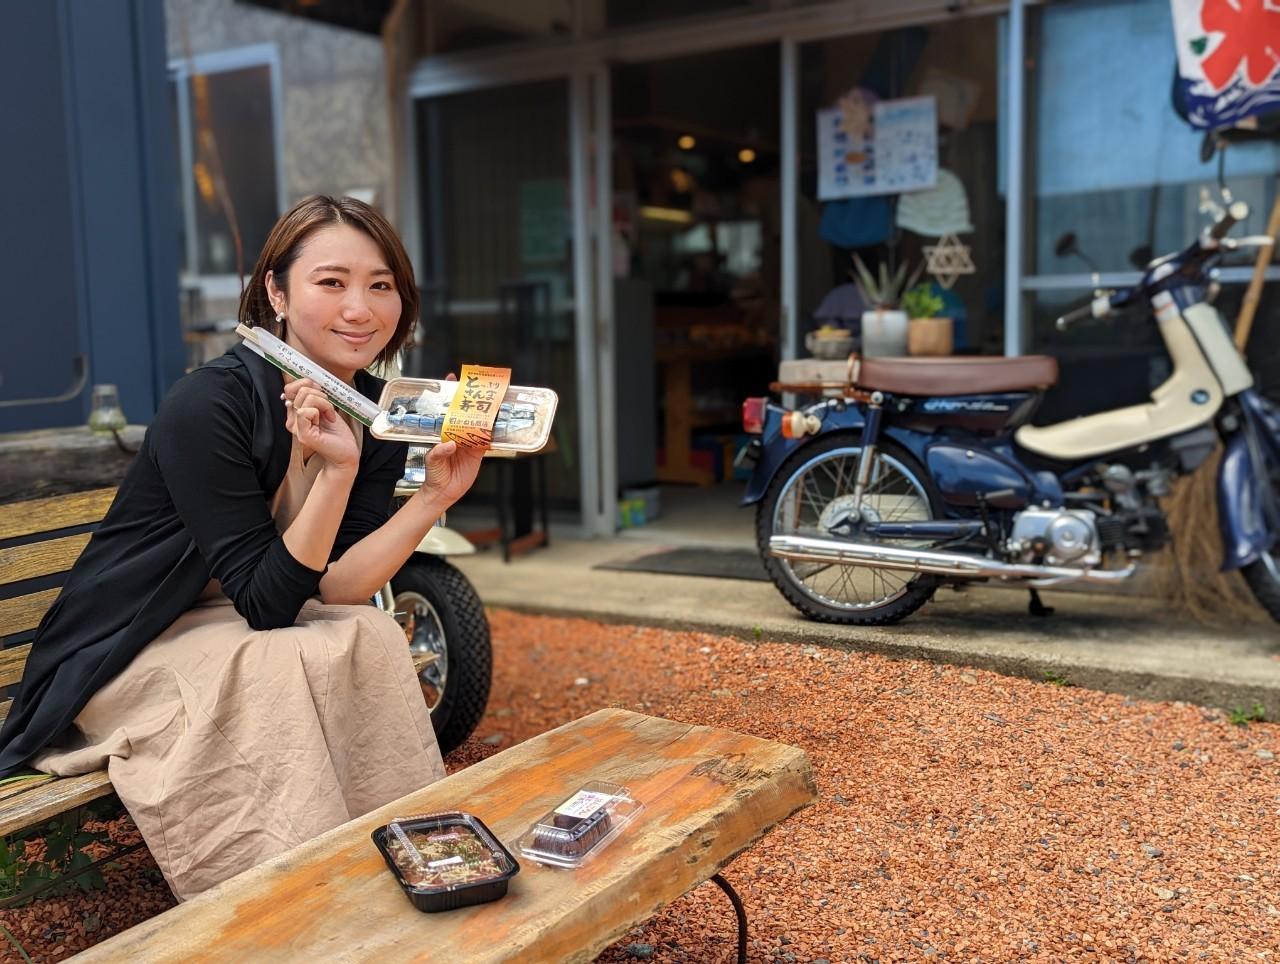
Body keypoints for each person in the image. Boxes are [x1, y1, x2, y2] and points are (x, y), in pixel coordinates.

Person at [0, 195, 484, 899]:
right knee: (277, 662)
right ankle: (278, 902)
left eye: (381, 285)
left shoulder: (379, 409)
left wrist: (436, 498)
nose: (361, 309)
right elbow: (269, 606)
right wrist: (337, 471)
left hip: (242, 621)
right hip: (133, 642)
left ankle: (393, 870)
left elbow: (340, 587)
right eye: (331, 282)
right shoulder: (211, 403)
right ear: (276, 293)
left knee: (373, 634)